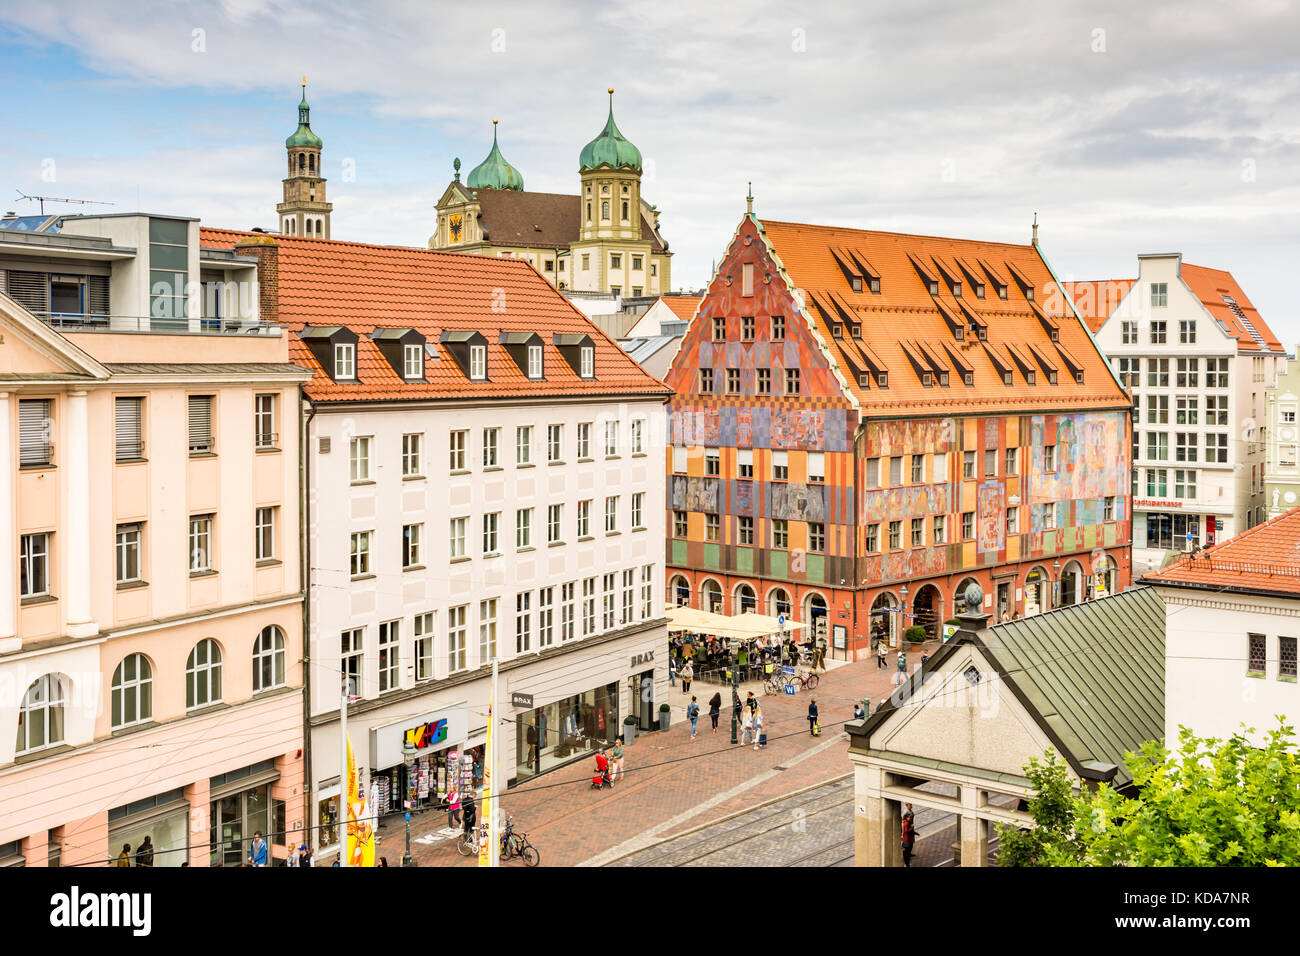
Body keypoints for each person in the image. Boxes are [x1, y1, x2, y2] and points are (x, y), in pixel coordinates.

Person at [901, 803, 916, 867]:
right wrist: (912, 827)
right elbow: (905, 830)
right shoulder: (905, 823)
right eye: (910, 805)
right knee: (906, 852)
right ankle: (906, 864)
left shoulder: (910, 813)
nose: (911, 806)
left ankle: (907, 862)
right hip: (906, 840)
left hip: (907, 839)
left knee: (907, 850)